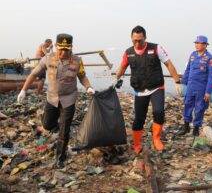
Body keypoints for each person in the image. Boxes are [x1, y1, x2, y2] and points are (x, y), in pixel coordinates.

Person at [17, 33, 95, 168]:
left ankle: (60, 157)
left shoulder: (77, 61)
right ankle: (57, 126)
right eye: (61, 49)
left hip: (68, 99)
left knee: (64, 131)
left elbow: (82, 76)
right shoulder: (48, 58)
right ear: (56, 46)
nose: (64, 52)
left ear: (71, 47)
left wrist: (88, 87)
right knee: (47, 125)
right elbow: (33, 74)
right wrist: (23, 90)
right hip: (52, 98)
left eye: (67, 49)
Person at [113, 25, 181, 153]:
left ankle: (156, 138)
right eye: (135, 40)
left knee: (159, 112)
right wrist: (116, 79)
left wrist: (177, 81)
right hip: (140, 90)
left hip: (156, 87)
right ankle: (137, 144)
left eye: (140, 40)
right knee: (139, 118)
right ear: (131, 39)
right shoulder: (128, 52)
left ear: (145, 38)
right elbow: (122, 67)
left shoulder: (156, 48)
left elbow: (168, 64)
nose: (137, 43)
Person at [180, 35, 212, 136]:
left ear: (204, 45)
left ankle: (196, 128)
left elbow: (211, 76)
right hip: (190, 87)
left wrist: (208, 92)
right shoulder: (193, 55)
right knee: (187, 105)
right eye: (196, 43)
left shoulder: (210, 58)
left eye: (198, 43)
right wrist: (182, 83)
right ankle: (186, 126)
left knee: (200, 108)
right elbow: (188, 70)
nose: (196, 45)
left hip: (201, 88)